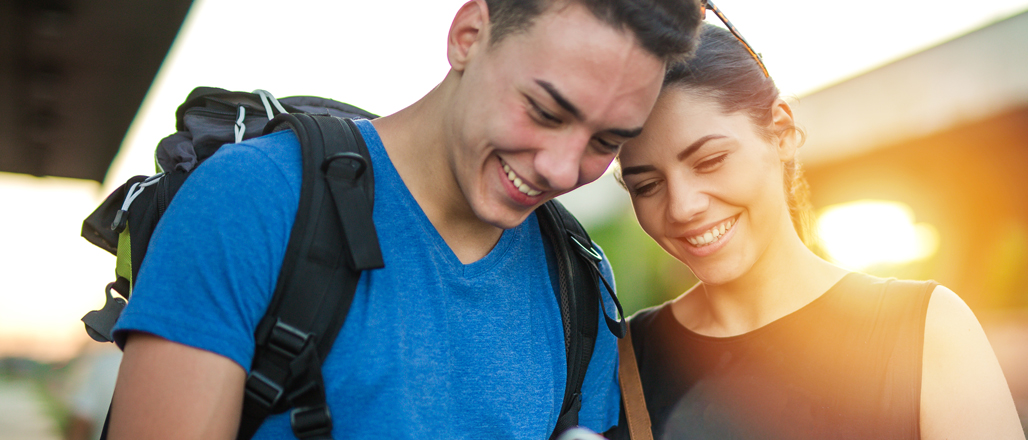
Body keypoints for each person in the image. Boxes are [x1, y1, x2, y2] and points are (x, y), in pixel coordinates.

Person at [107, 0, 701, 438]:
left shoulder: (579, 283)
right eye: (544, 111)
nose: (560, 168)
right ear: (469, 35)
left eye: (605, 142)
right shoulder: (254, 199)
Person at [615, 23, 1027, 439]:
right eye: (647, 186)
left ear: (781, 132)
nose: (683, 207)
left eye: (710, 160)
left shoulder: (926, 328)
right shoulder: (622, 358)